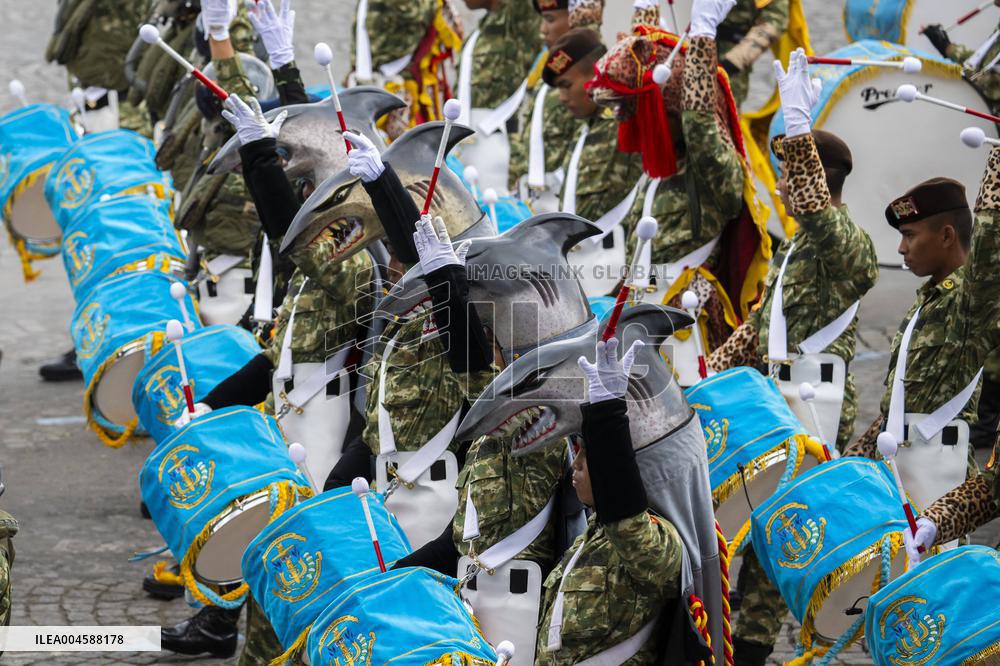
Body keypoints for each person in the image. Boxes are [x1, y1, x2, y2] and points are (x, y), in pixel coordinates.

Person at [707, 49, 879, 666]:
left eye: (789, 171)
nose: (779, 184)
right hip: (771, 403)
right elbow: (761, 328)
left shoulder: (845, 244)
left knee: (786, 538)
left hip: (814, 407)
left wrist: (800, 134)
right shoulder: (796, 250)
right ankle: (745, 650)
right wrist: (708, 374)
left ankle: (758, 651)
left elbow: (814, 206)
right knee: (750, 535)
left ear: (817, 180)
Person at [590, 0, 769, 358]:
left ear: (674, 114)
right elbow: (643, 63)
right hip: (640, 318)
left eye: (643, 112)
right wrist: (645, 10)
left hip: (685, 329)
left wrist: (703, 38)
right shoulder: (654, 174)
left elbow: (699, 120)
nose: (631, 122)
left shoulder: (711, 174)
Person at [871, 146, 1000, 563]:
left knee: (932, 602)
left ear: (946, 236)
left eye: (910, 236)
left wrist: (995, 167)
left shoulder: (969, 302)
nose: (901, 249)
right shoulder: (928, 302)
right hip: (900, 466)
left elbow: (989, 253)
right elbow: (899, 405)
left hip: (937, 474)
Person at [535, 338, 683, 664]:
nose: (575, 466)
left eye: (586, 459)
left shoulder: (657, 544)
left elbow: (626, 518)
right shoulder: (594, 534)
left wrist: (607, 415)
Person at [508, 0, 601, 213]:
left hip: (566, 203)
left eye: (550, 19)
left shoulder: (592, 74)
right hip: (530, 201)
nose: (542, 29)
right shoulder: (544, 75)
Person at [715, 0, 790, 106]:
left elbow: (775, 21)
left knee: (725, 111)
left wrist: (734, 61)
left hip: (732, 57)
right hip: (693, 48)